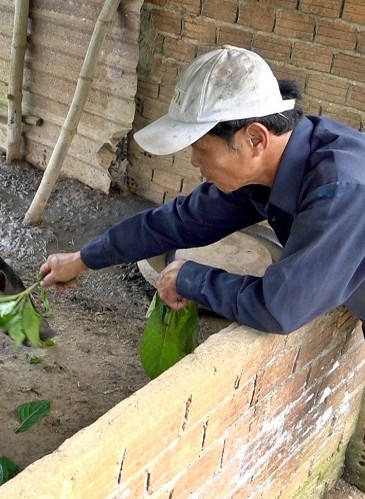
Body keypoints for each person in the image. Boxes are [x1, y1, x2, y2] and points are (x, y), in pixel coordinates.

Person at [39, 45, 365, 334]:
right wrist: (82, 259)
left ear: (255, 138)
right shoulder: (270, 164)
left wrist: (190, 278)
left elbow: (281, 307)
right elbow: (181, 221)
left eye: (201, 149)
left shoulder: (339, 190)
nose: (195, 161)